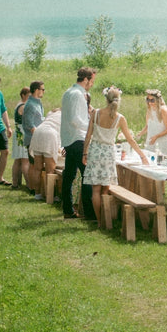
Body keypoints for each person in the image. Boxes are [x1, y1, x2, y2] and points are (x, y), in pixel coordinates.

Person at [83, 86, 148, 223]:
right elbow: (130, 139)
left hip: (95, 151)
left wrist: (85, 152)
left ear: (106, 99)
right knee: (105, 188)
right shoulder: (120, 118)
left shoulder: (96, 113)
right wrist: (142, 155)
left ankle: (99, 219)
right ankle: (105, 220)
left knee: (95, 189)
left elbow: (88, 135)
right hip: (108, 152)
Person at [60, 66, 97, 220]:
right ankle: (89, 213)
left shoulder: (69, 92)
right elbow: (75, 120)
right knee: (87, 175)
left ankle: (68, 210)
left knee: (69, 175)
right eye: (92, 81)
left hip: (70, 138)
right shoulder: (76, 94)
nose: (92, 84)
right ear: (86, 79)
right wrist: (91, 127)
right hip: (77, 139)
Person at [29, 109, 62, 200]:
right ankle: (51, 196)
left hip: (38, 132)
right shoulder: (67, 115)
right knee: (50, 170)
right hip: (49, 134)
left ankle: (37, 194)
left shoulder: (52, 112)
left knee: (37, 168)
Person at [137, 89, 167, 156]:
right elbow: (147, 126)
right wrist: (139, 134)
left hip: (162, 141)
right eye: (148, 100)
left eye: (152, 100)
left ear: (157, 100)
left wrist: (156, 137)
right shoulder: (149, 110)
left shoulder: (164, 110)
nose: (150, 103)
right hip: (151, 140)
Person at [11, 86, 30, 189]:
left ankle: (15, 183)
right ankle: (29, 184)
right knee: (25, 159)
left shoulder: (19, 104)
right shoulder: (23, 106)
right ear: (23, 95)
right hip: (22, 133)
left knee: (18, 159)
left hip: (18, 132)